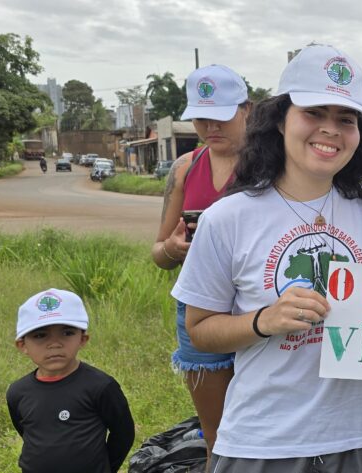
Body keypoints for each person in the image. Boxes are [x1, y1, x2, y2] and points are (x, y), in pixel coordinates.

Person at [172, 44, 362, 472]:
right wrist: (263, 321)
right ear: (281, 120)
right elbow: (200, 332)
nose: (331, 130)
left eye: (346, 119)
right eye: (313, 113)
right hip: (263, 444)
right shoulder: (227, 218)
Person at [150, 64, 250, 458]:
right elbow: (158, 253)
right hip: (199, 309)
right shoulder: (185, 167)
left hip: (259, 305)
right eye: (201, 117)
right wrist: (175, 249)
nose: (212, 127)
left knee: (265, 430)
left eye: (223, 115)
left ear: (247, 110)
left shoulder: (274, 167)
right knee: (218, 435)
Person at [7, 288, 135, 473]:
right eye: (40, 335)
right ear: (22, 345)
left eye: (67, 333)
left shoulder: (101, 386)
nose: (54, 344)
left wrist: (106, 468)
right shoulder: (18, 392)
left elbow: (123, 434)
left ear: (82, 339)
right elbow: (26, 431)